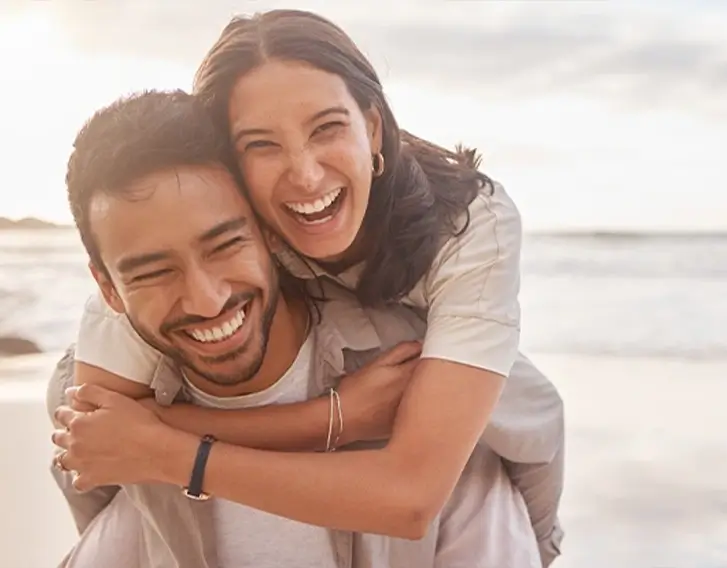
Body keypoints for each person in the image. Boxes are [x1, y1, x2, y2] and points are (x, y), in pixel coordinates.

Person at [53, 8, 565, 566]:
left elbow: (414, 493)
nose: (304, 175)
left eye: (327, 128)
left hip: (446, 383)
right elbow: (98, 438)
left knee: (510, 411)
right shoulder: (201, 222)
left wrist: (172, 451)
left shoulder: (469, 224)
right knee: (72, 398)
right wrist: (328, 419)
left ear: (372, 128)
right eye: (261, 144)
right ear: (230, 164)